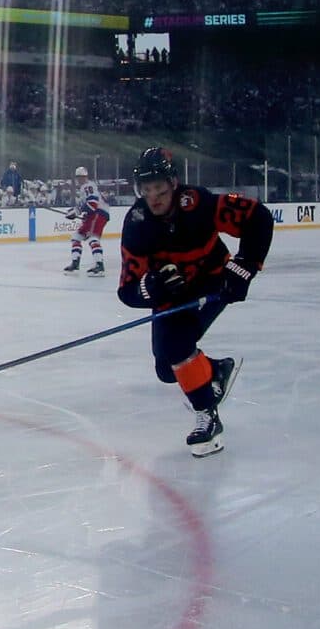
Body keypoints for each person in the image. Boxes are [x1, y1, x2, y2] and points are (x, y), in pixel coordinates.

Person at [116, 147, 272, 456]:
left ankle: (207, 417)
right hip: (172, 295)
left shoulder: (199, 204)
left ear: (173, 184)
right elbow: (128, 289)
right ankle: (214, 371)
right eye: (146, 190)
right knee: (166, 368)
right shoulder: (137, 223)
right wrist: (152, 288)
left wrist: (243, 267)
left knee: (176, 347)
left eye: (159, 188)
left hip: (213, 282)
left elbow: (258, 218)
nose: (154, 197)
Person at [62, 166, 109, 276]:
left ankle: (99, 266)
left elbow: (92, 205)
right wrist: (75, 212)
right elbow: (86, 206)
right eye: (78, 177)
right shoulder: (86, 187)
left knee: (93, 237)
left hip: (98, 213)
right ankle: (75, 263)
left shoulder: (87, 186)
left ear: (84, 177)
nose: (79, 179)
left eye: (81, 177)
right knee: (76, 237)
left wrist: (76, 212)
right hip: (95, 214)